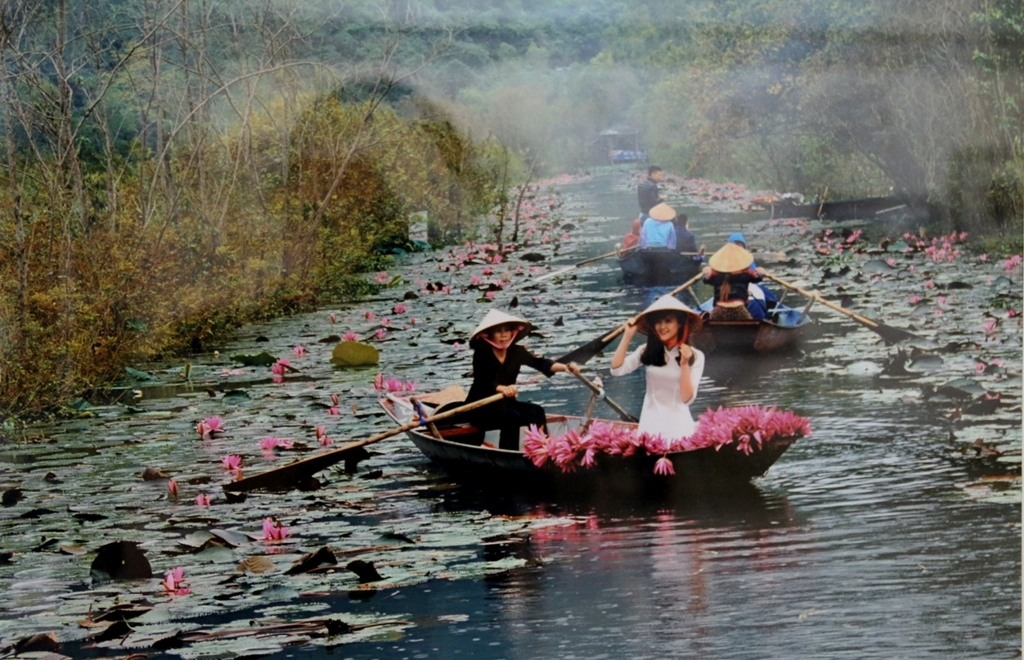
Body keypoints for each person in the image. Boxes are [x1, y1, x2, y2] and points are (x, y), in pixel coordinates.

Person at [461, 309, 580, 450]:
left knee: (537, 411)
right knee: (512, 417)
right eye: (498, 331)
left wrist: (566, 367)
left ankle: (542, 449)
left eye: (507, 330)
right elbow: (484, 381)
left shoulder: (517, 351)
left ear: (513, 332)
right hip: (481, 407)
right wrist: (502, 388)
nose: (504, 335)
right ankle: (507, 454)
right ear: (490, 335)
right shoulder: (482, 354)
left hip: (506, 403)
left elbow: (540, 363)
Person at [609, 295, 705, 441]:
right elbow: (616, 370)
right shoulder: (647, 351)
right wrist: (627, 336)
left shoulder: (696, 356)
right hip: (649, 426)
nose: (662, 327)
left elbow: (687, 399)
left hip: (678, 427)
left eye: (668, 321)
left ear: (679, 324)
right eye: (658, 322)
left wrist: (684, 365)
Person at [702, 243, 767, 320]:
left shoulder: (714, 273)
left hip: (718, 311)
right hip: (740, 311)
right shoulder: (746, 272)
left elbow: (705, 280)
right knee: (750, 327)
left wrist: (705, 272)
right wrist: (761, 272)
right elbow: (758, 278)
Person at [727, 231, 779, 312]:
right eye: (735, 244)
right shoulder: (724, 260)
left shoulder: (748, 259)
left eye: (740, 245)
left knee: (770, 297)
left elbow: (754, 274)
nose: (737, 248)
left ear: (744, 247)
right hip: (733, 288)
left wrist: (759, 273)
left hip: (749, 285)